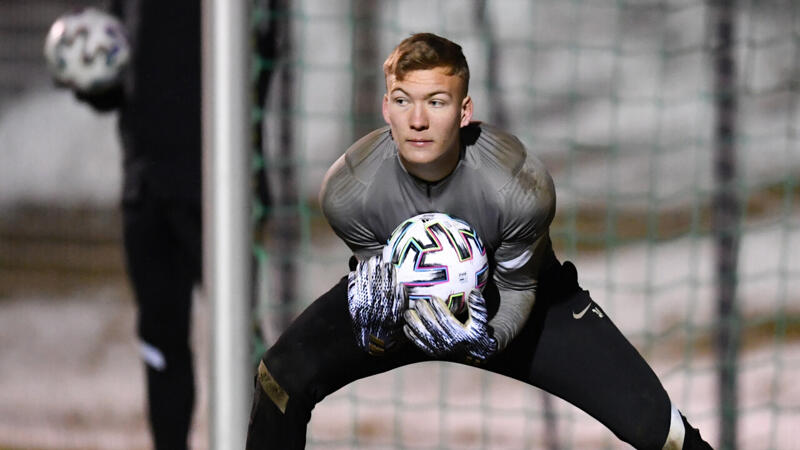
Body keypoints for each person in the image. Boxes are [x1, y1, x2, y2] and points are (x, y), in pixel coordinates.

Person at [246, 33, 713, 449]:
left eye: (437, 102)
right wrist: (378, 326)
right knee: (280, 378)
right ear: (386, 107)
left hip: (516, 301)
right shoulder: (349, 190)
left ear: (465, 111)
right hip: (409, 299)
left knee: (659, 429)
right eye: (404, 101)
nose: (418, 120)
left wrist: (486, 339)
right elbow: (379, 275)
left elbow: (519, 289)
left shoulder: (518, 187)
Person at [66, 1, 274, 448]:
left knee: (242, 347)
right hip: (146, 190)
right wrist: (90, 75)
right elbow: (120, 72)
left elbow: (267, 52)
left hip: (223, 195)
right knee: (160, 344)